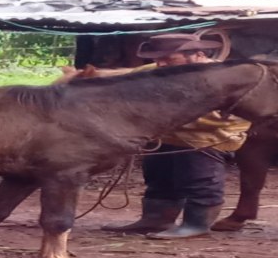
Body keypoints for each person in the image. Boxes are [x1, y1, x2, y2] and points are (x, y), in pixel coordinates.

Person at [102, 33, 252, 239]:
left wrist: (167, 119)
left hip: (203, 140)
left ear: (198, 55)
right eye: (156, 59)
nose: (160, 64)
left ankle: (196, 224)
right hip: (163, 137)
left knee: (201, 181)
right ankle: (156, 219)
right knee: (159, 179)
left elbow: (239, 114)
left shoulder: (226, 77)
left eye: (169, 59)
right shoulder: (151, 72)